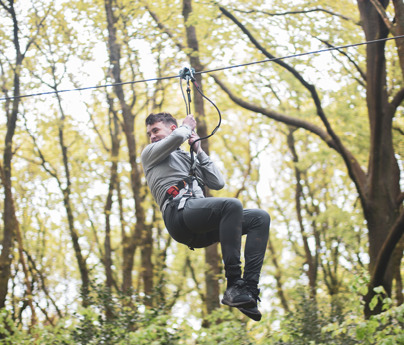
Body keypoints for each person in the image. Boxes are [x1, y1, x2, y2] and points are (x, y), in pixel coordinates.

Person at [141, 112, 270, 321]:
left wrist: (199, 151)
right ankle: (234, 284)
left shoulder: (188, 157)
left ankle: (248, 290)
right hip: (179, 214)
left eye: (156, 130)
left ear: (171, 128)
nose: (152, 136)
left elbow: (217, 182)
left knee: (260, 218)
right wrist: (186, 127)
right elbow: (175, 139)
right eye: (149, 133)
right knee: (232, 205)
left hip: (199, 224)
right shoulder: (150, 154)